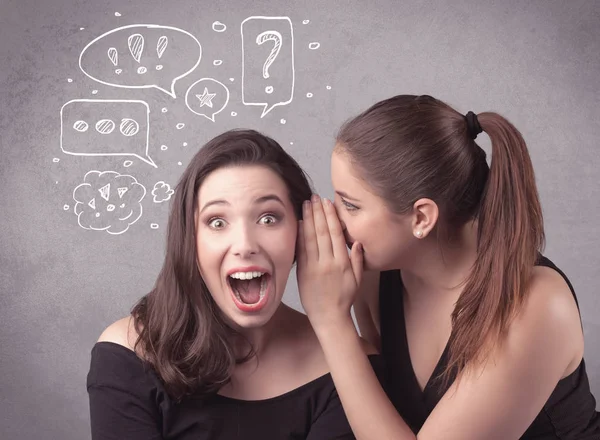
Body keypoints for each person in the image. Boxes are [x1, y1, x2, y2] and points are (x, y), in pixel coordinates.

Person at [296, 95, 600, 439]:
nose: (333, 217)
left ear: (421, 217)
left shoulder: (537, 306)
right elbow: (379, 413)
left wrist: (332, 324)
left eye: (351, 205)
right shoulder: (374, 275)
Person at [86, 129, 383, 439]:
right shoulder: (128, 354)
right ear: (191, 240)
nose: (244, 245)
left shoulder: (350, 370)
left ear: (302, 233)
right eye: (217, 222)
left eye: (268, 218)